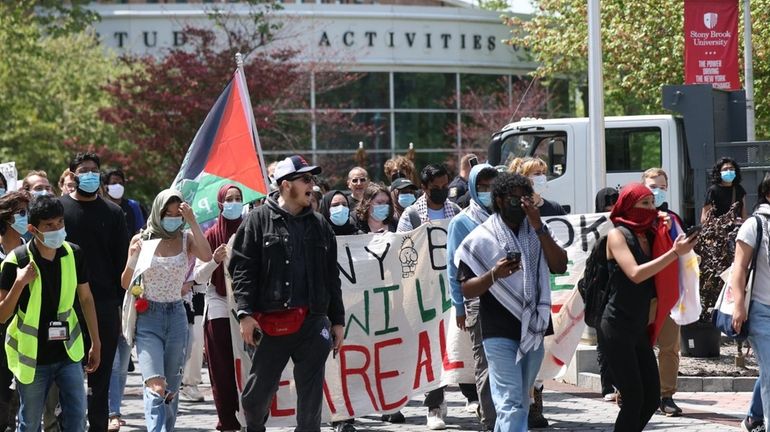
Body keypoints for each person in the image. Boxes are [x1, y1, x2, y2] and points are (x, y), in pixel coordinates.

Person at [229, 154, 345, 432]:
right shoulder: (257, 221)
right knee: (255, 400)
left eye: (312, 179)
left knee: (311, 401)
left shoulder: (320, 225)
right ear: (285, 185)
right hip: (270, 324)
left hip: (313, 324)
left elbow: (332, 277)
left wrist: (337, 320)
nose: (311, 184)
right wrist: (245, 314)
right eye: (305, 178)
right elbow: (242, 270)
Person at [456, 173, 567, 432]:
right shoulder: (482, 237)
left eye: (524, 198)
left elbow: (559, 265)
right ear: (499, 200)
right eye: (513, 198)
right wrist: (494, 274)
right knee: (510, 402)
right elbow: (466, 288)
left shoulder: (539, 229)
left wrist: (538, 226)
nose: (520, 203)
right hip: (498, 330)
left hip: (534, 327)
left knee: (521, 402)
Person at [0, 195, 101, 432]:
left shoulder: (73, 253)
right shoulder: (17, 260)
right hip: (32, 358)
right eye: (49, 226)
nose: (57, 230)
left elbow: (85, 298)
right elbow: (2, 315)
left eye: (60, 223)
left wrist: (96, 341)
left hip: (68, 351)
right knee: (30, 422)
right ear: (33, 229)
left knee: (77, 417)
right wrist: (20, 283)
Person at [600, 183, 695, 431]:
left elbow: (672, 252)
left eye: (653, 203)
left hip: (640, 327)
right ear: (629, 206)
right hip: (616, 326)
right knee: (633, 398)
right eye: (644, 203)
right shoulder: (617, 235)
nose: (651, 208)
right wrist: (674, 253)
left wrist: (669, 232)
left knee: (651, 397)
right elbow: (635, 273)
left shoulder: (651, 234)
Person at [121, 189, 212, 431]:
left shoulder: (186, 239)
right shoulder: (142, 239)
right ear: (157, 213)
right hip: (148, 316)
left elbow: (207, 254)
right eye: (167, 214)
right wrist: (132, 257)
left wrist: (192, 222)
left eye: (177, 214)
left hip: (176, 316)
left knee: (171, 387)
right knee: (156, 385)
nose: (172, 218)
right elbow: (124, 282)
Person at [397, 164, 472, 430]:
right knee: (432, 346)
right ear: (425, 188)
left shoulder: (457, 212)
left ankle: (470, 393)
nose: (441, 192)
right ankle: (434, 405)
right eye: (435, 189)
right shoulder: (411, 216)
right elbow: (401, 252)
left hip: (451, 289)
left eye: (444, 187)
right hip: (424, 293)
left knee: (453, 342)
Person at [60, 152, 129, 432]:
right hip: (65, 306)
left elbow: (121, 263)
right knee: (67, 376)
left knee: (100, 380)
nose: (89, 174)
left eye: (94, 170)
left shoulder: (113, 213)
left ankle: (98, 426)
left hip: (104, 305)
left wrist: (120, 307)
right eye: (83, 170)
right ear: (73, 175)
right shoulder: (59, 209)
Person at [446, 163, 499, 431]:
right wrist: (459, 306)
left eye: (492, 187)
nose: (488, 192)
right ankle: (491, 420)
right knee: (486, 365)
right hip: (477, 300)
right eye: (482, 187)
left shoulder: (507, 217)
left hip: (509, 299)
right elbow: (454, 268)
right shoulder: (462, 222)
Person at [192, 184, 247, 432]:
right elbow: (199, 278)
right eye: (229, 199)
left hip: (248, 307)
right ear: (220, 205)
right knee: (223, 367)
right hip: (219, 305)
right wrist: (214, 260)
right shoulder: (212, 235)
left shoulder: (251, 231)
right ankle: (227, 419)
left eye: (238, 198)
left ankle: (251, 415)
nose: (234, 203)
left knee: (249, 365)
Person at [641, 168, 687, 417]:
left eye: (661, 187)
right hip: (640, 294)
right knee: (639, 345)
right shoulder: (633, 219)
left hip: (667, 294)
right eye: (652, 186)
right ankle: (633, 391)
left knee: (669, 347)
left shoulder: (673, 219)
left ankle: (666, 395)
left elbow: (684, 253)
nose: (656, 191)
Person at [731, 174, 770, 432]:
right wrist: (739, 306)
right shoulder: (755, 225)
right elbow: (739, 270)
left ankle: (754, 417)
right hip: (760, 311)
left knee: (768, 370)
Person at [0, 191, 30, 431]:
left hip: (23, 338)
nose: (26, 218)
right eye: (21, 213)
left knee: (19, 407)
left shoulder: (31, 253)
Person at [592, 187, 619, 403]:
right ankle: (606, 384)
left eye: (615, 203)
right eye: (606, 204)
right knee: (603, 341)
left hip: (619, 291)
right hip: (599, 292)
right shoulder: (595, 228)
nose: (611, 208)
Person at [701, 157, 748, 224]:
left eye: (731, 169)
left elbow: (744, 212)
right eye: (725, 169)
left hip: (736, 231)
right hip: (719, 231)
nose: (728, 171)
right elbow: (704, 218)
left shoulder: (739, 189)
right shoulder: (713, 191)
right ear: (719, 173)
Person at [103, 168, 148, 236]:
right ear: (106, 186)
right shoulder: (101, 206)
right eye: (114, 183)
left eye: (121, 183)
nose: (118, 186)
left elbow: (140, 232)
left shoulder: (133, 206)